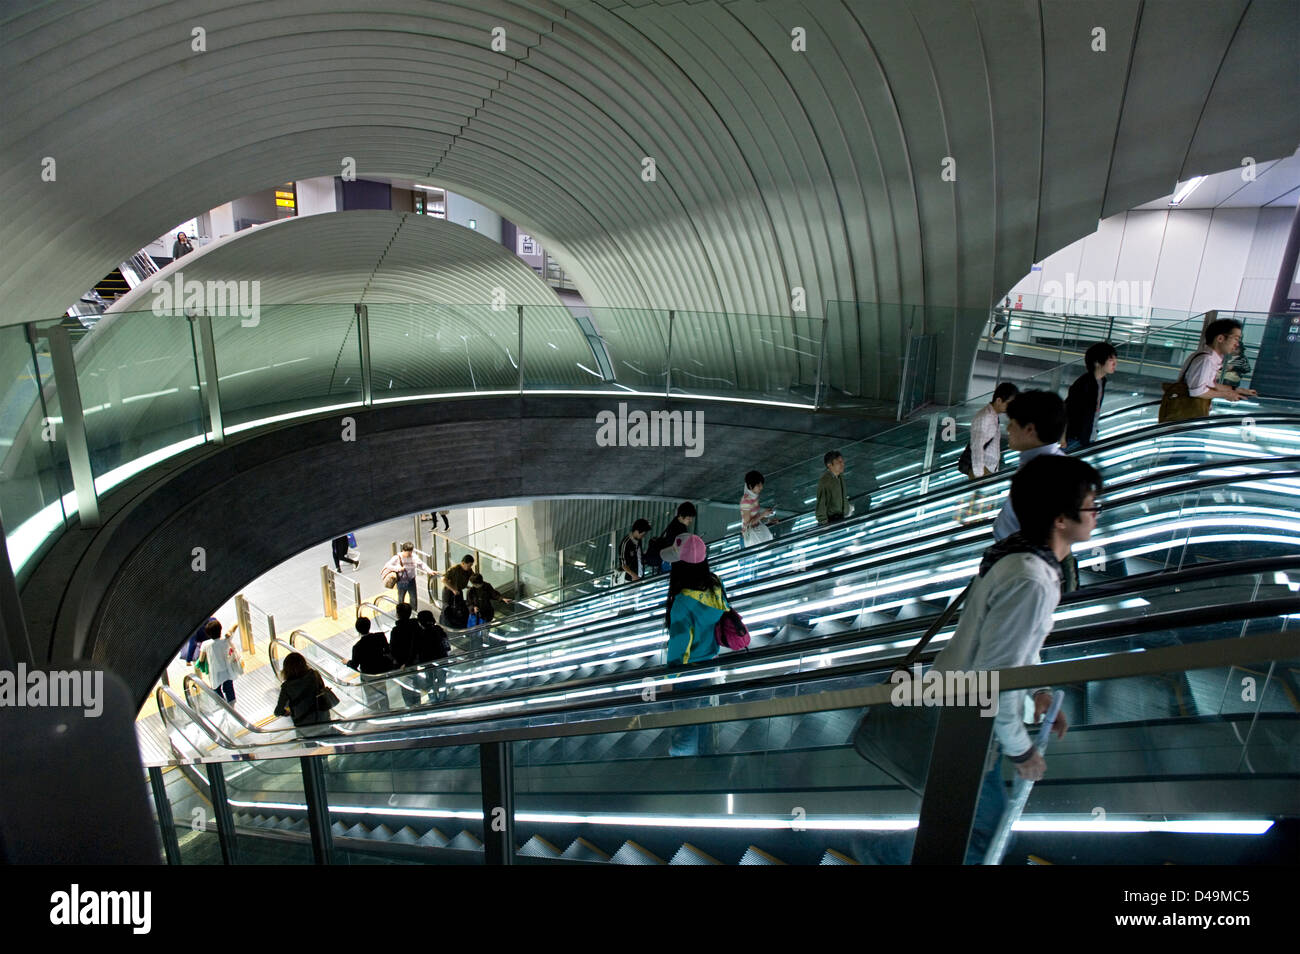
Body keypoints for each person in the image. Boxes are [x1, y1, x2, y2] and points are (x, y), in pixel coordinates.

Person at [930, 454, 1101, 863]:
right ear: (1060, 518)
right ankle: (879, 856)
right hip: (968, 716)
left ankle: (881, 855)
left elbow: (1016, 643)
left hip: (965, 703)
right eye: (1091, 505)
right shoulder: (1031, 578)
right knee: (979, 828)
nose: (1097, 514)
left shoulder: (1023, 556)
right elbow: (994, 679)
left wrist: (1039, 688)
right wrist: (1022, 752)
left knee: (967, 822)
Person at [662, 532, 731, 757]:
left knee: (685, 719)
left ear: (680, 566)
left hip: (688, 673)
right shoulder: (715, 584)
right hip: (710, 662)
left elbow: (679, 647)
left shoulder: (682, 602)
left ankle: (683, 759)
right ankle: (705, 751)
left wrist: (669, 680)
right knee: (701, 712)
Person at [991, 391, 1067, 542]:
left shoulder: (1045, 475)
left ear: (1029, 430)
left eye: (1012, 424)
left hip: (1015, 555)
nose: (1008, 429)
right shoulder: (1040, 461)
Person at [1179, 318, 1258, 411]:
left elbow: (1209, 384)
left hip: (1189, 413)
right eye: (1236, 339)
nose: (1237, 344)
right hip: (1186, 413)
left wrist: (1235, 390)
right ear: (1220, 338)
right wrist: (1227, 395)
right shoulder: (1206, 360)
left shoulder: (1209, 358)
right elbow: (1197, 392)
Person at [1065, 343, 1118, 451]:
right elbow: (1067, 410)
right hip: (1076, 439)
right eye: (1110, 359)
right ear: (1097, 362)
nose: (1115, 362)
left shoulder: (1101, 381)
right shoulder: (1084, 384)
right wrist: (1062, 437)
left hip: (1087, 438)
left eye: (1115, 358)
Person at [273, 652, 334, 732]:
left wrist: (286, 712)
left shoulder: (286, 687)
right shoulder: (314, 675)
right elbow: (322, 691)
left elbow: (278, 711)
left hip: (304, 726)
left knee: (308, 742)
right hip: (323, 719)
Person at [968, 383, 1019, 479]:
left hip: (990, 468)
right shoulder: (984, 417)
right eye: (1009, 403)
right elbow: (977, 446)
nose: (1011, 407)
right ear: (999, 400)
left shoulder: (994, 416)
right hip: (983, 470)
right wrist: (979, 475)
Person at [346, 617, 394, 712]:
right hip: (381, 671)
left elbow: (354, 664)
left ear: (357, 630)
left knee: (371, 697)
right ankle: (386, 712)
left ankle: (375, 714)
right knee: (383, 693)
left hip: (368, 676)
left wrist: (347, 662)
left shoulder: (357, 647)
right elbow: (388, 650)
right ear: (369, 626)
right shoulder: (380, 636)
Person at [197, 620, 242, 704]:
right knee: (229, 688)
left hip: (215, 672)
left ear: (208, 634)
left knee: (216, 689)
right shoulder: (226, 639)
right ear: (220, 629)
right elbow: (235, 624)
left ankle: (222, 704)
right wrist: (229, 632)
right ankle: (232, 706)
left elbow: (201, 660)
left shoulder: (205, 644)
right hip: (227, 670)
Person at [388, 602, 424, 706]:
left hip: (403, 664)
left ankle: (411, 707)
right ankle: (418, 704)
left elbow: (393, 649)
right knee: (415, 681)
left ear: (398, 614)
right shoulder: (415, 626)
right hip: (415, 661)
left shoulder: (396, 630)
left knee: (406, 686)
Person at [382, 542, 433, 609]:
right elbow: (387, 565)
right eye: (408, 553)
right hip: (401, 581)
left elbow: (421, 565)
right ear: (403, 550)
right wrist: (398, 569)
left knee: (413, 598)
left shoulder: (414, 557)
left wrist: (429, 571)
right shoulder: (397, 557)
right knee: (401, 598)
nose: (409, 554)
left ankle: (414, 612)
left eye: (411, 552)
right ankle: (400, 613)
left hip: (411, 580)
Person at [649, 503, 697, 573]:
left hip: (670, 561)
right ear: (681, 516)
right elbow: (676, 549)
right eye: (688, 518)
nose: (691, 521)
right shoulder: (676, 529)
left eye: (691, 518)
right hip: (671, 563)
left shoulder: (676, 524)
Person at [415, 610, 451, 702]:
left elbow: (417, 648)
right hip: (441, 659)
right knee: (442, 679)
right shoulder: (437, 629)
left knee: (429, 681)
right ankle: (443, 697)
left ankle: (433, 699)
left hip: (427, 661)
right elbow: (445, 642)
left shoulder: (420, 633)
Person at [740, 471, 778, 547]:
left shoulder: (754, 496)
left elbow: (755, 517)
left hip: (758, 533)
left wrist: (768, 520)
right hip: (754, 538)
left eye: (761, 484)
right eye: (758, 485)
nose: (761, 487)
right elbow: (747, 525)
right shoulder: (746, 502)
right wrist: (763, 514)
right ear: (750, 486)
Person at [815, 450, 852, 525]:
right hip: (832, 521)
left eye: (842, 461)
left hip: (842, 518)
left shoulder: (840, 476)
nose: (842, 464)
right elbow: (821, 504)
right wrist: (824, 523)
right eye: (838, 462)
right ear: (829, 465)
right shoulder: (825, 481)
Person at [620, 518, 652, 582]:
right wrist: (633, 575)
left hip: (640, 576)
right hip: (631, 579)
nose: (643, 536)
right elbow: (623, 564)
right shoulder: (626, 543)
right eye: (643, 534)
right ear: (637, 531)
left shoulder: (638, 540)